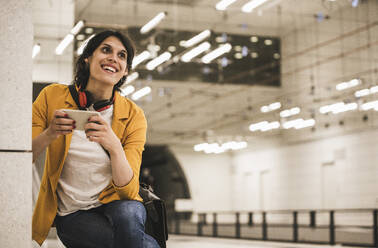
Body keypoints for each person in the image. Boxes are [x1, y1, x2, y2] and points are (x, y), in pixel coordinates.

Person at [32, 30, 159, 248]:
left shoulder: (133, 115)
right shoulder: (52, 96)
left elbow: (128, 191)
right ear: (87, 58)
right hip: (72, 213)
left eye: (122, 56)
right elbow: (22, 156)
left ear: (125, 70)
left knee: (130, 212)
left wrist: (114, 146)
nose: (113, 58)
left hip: (116, 204)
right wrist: (50, 133)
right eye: (106, 50)